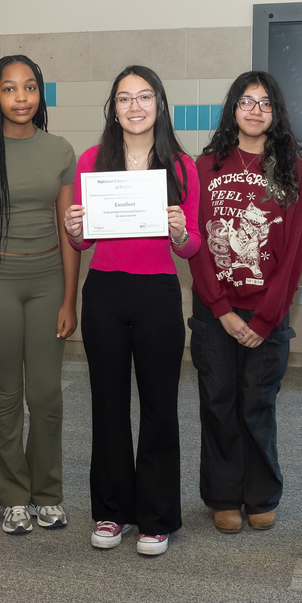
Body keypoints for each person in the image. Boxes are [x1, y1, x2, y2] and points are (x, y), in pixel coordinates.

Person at [63, 65, 200, 556]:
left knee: (160, 408)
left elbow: (191, 246)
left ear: (159, 104)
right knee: (108, 405)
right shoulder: (92, 160)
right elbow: (85, 241)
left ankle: (156, 517)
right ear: (113, 108)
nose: (135, 106)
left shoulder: (181, 166)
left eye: (144, 97)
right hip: (104, 292)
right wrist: (75, 229)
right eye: (124, 98)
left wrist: (180, 232)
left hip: (157, 293)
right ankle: (111, 510)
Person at [0, 55, 79, 535]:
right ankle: (12, 496)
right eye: (9, 88)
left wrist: (70, 301)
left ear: (40, 94)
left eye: (29, 87)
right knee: (5, 394)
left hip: (48, 282)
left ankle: (48, 493)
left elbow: (68, 232)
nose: (21, 97)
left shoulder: (60, 149)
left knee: (46, 395)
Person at [187, 71, 302, 534]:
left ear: (276, 113)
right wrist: (220, 309)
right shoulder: (204, 167)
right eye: (246, 101)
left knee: (258, 403)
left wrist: (264, 319)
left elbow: (295, 251)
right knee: (218, 401)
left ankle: (260, 494)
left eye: (265, 103)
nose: (255, 110)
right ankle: (223, 496)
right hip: (214, 309)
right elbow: (196, 245)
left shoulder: (295, 170)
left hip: (267, 312)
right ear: (232, 109)